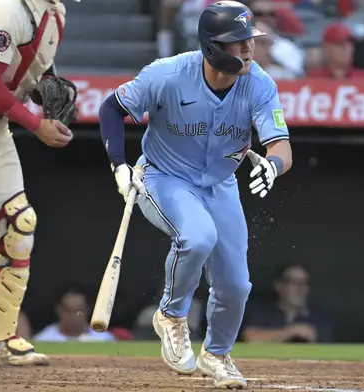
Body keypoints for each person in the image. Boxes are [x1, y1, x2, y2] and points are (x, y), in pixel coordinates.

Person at [98, 1, 292, 389]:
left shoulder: (259, 84)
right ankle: (170, 315)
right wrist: (119, 164)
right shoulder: (168, 74)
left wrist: (273, 165)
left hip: (220, 184)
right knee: (198, 236)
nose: (249, 49)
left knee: (237, 285)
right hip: (164, 177)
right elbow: (111, 109)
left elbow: (280, 144)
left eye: (250, 41)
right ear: (214, 47)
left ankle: (217, 354)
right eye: (239, 43)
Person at [0, 0, 74, 366]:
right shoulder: (9, 9)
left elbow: (37, 66)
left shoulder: (56, 13)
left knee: (20, 225)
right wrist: (36, 123)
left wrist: (47, 89)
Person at [242, 263, 334, 343]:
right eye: (294, 283)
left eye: (303, 283)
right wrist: (291, 331)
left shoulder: (319, 316)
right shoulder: (262, 310)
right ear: (279, 285)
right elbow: (250, 338)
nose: (300, 288)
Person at [34, 285, 116, 342]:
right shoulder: (43, 340)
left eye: (79, 311)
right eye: (68, 310)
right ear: (59, 310)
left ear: (88, 309)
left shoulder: (105, 340)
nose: (74, 316)